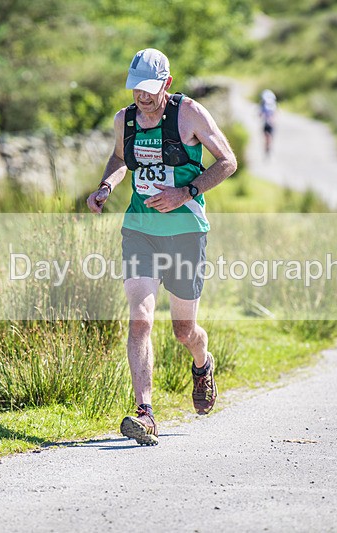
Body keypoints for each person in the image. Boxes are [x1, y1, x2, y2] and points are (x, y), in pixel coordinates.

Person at [86, 48, 237, 446]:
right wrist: (106, 187)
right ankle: (145, 413)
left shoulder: (189, 114)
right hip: (140, 229)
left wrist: (185, 191)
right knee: (141, 318)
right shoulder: (125, 119)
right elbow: (120, 158)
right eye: (136, 89)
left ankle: (202, 363)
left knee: (183, 331)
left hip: (187, 230)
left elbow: (227, 161)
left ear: (166, 84)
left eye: (150, 90)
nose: (143, 97)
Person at [260, 89, 277, 155]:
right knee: (269, 136)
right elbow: (275, 114)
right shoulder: (273, 105)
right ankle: (268, 147)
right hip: (271, 123)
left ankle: (267, 147)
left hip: (266, 123)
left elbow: (260, 114)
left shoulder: (263, 105)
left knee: (266, 136)